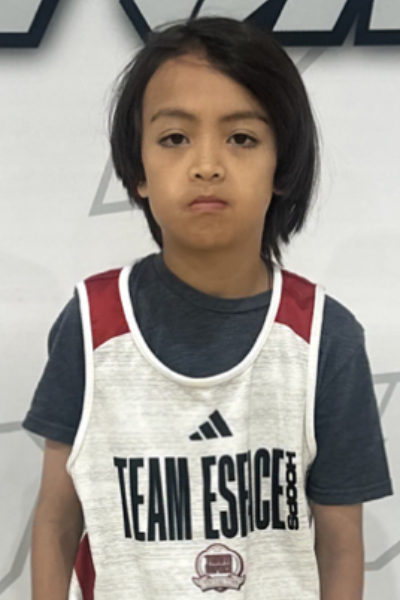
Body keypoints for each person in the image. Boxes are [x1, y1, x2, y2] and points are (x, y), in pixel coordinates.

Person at [23, 15, 392, 600]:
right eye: (175, 138)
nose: (207, 165)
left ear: (282, 166)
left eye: (241, 138)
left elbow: (341, 543)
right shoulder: (91, 324)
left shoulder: (327, 337)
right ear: (137, 169)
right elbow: (56, 520)